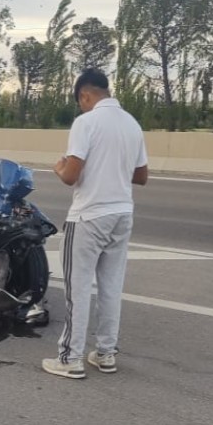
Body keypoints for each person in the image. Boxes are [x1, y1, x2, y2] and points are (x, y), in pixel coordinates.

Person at [42, 68, 148, 379]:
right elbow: (141, 176)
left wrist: (58, 167)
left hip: (89, 215)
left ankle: (70, 358)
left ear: (85, 95)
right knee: (111, 287)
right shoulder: (132, 124)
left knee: (78, 288)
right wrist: (114, 166)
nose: (82, 107)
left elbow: (71, 175)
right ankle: (105, 354)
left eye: (81, 102)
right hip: (122, 213)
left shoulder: (86, 123)